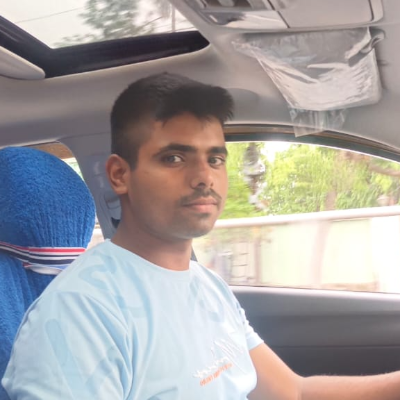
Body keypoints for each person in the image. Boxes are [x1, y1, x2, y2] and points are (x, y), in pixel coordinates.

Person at [3, 73, 400, 400]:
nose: (204, 177)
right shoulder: (79, 312)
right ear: (120, 175)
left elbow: (292, 392)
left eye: (215, 158)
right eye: (174, 158)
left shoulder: (208, 286)